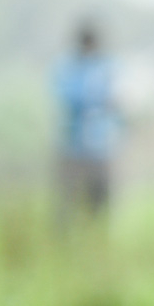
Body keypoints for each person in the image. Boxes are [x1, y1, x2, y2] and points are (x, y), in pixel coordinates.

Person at [53, 23, 117, 220]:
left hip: (100, 147)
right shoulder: (68, 67)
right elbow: (67, 98)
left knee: (99, 204)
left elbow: (117, 98)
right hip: (73, 146)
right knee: (67, 204)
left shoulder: (107, 67)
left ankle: (97, 241)